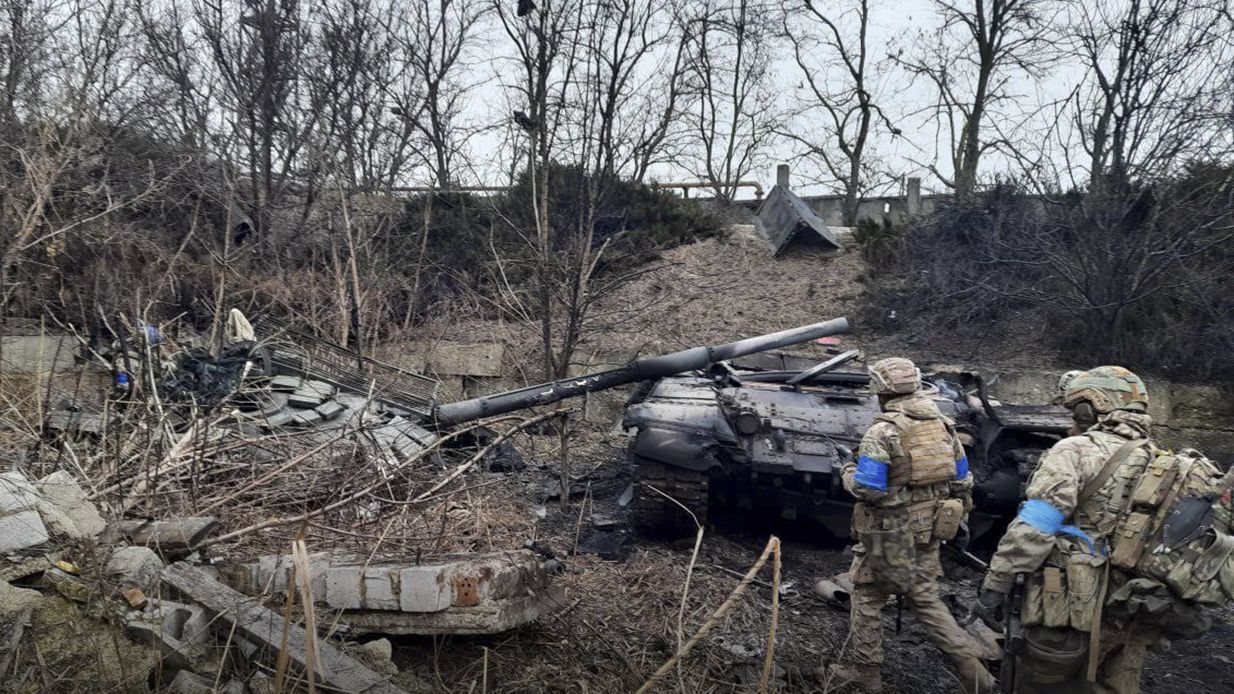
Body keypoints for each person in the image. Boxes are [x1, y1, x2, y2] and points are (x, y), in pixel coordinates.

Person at [975, 366, 1161, 693]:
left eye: (1076, 408)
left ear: (1090, 407)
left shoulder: (1074, 451)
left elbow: (1034, 528)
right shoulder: (1161, 461)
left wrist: (996, 584)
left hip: (1066, 608)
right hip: (1128, 609)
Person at [825, 357, 994, 693]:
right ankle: (977, 677)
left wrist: (846, 471)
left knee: (868, 595)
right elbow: (962, 479)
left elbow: (869, 488)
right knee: (926, 597)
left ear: (881, 392)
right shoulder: (943, 426)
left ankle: (867, 674)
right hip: (931, 528)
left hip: (891, 531)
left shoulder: (883, 430)